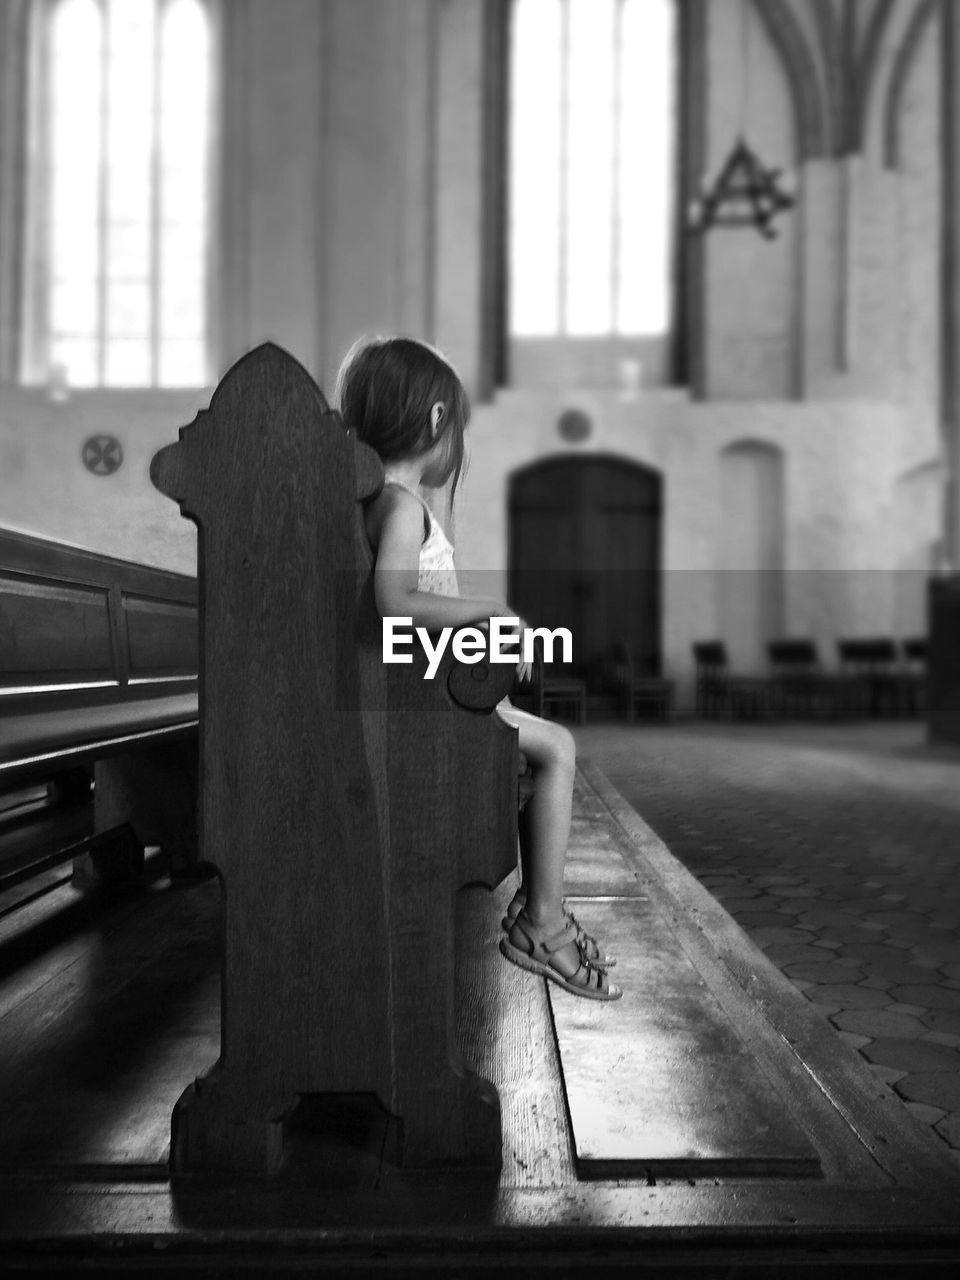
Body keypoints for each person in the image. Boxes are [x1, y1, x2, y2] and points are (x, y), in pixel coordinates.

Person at [337, 335, 621, 1002]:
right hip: (419, 714)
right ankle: (541, 923)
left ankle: (542, 913)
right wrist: (493, 614)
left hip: (425, 696)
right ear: (438, 420)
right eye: (454, 426)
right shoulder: (401, 505)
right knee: (557, 747)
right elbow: (394, 602)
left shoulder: (377, 501)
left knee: (540, 739)